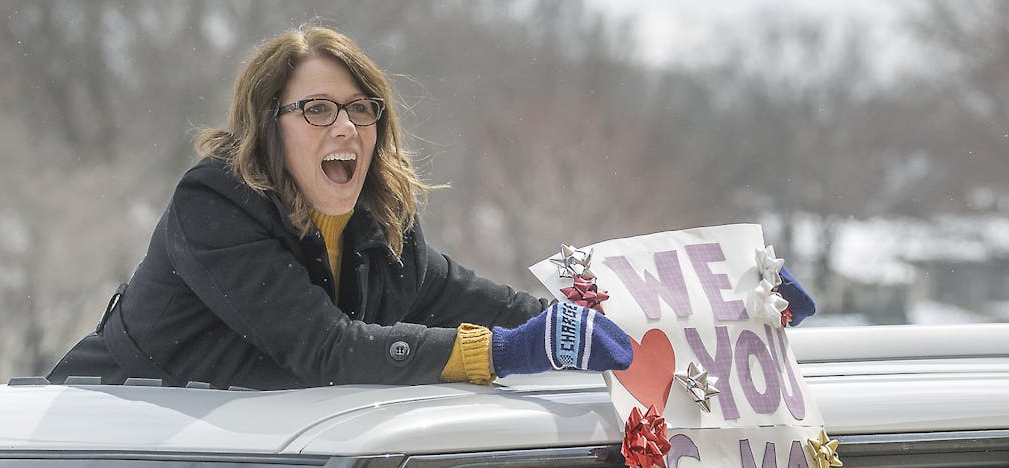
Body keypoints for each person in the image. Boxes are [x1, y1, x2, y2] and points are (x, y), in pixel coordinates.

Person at [45, 24, 639, 390]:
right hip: (106, 438)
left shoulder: (382, 233)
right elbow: (326, 349)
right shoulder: (214, 204)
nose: (346, 127)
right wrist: (510, 352)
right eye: (317, 109)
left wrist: (608, 326)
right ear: (269, 126)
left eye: (361, 109)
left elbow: (480, 300)